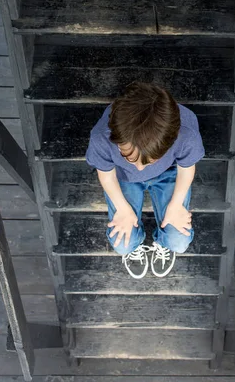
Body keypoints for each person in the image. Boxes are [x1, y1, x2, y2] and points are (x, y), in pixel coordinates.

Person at [85, 81, 205, 280]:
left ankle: (162, 241)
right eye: (129, 157)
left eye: (149, 160)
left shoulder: (186, 133)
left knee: (179, 242)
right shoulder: (101, 137)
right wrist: (123, 209)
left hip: (169, 172)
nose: (139, 168)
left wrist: (176, 205)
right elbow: (106, 174)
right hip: (123, 177)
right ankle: (137, 243)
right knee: (122, 244)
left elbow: (186, 168)